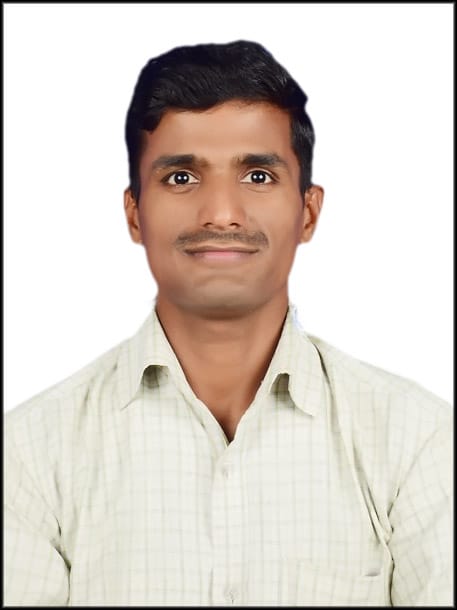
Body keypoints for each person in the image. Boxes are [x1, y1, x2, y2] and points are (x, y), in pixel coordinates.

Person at [4, 40, 452, 607]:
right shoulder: (28, 456)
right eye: (181, 178)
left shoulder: (418, 442)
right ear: (134, 213)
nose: (220, 213)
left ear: (308, 211)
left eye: (258, 176)